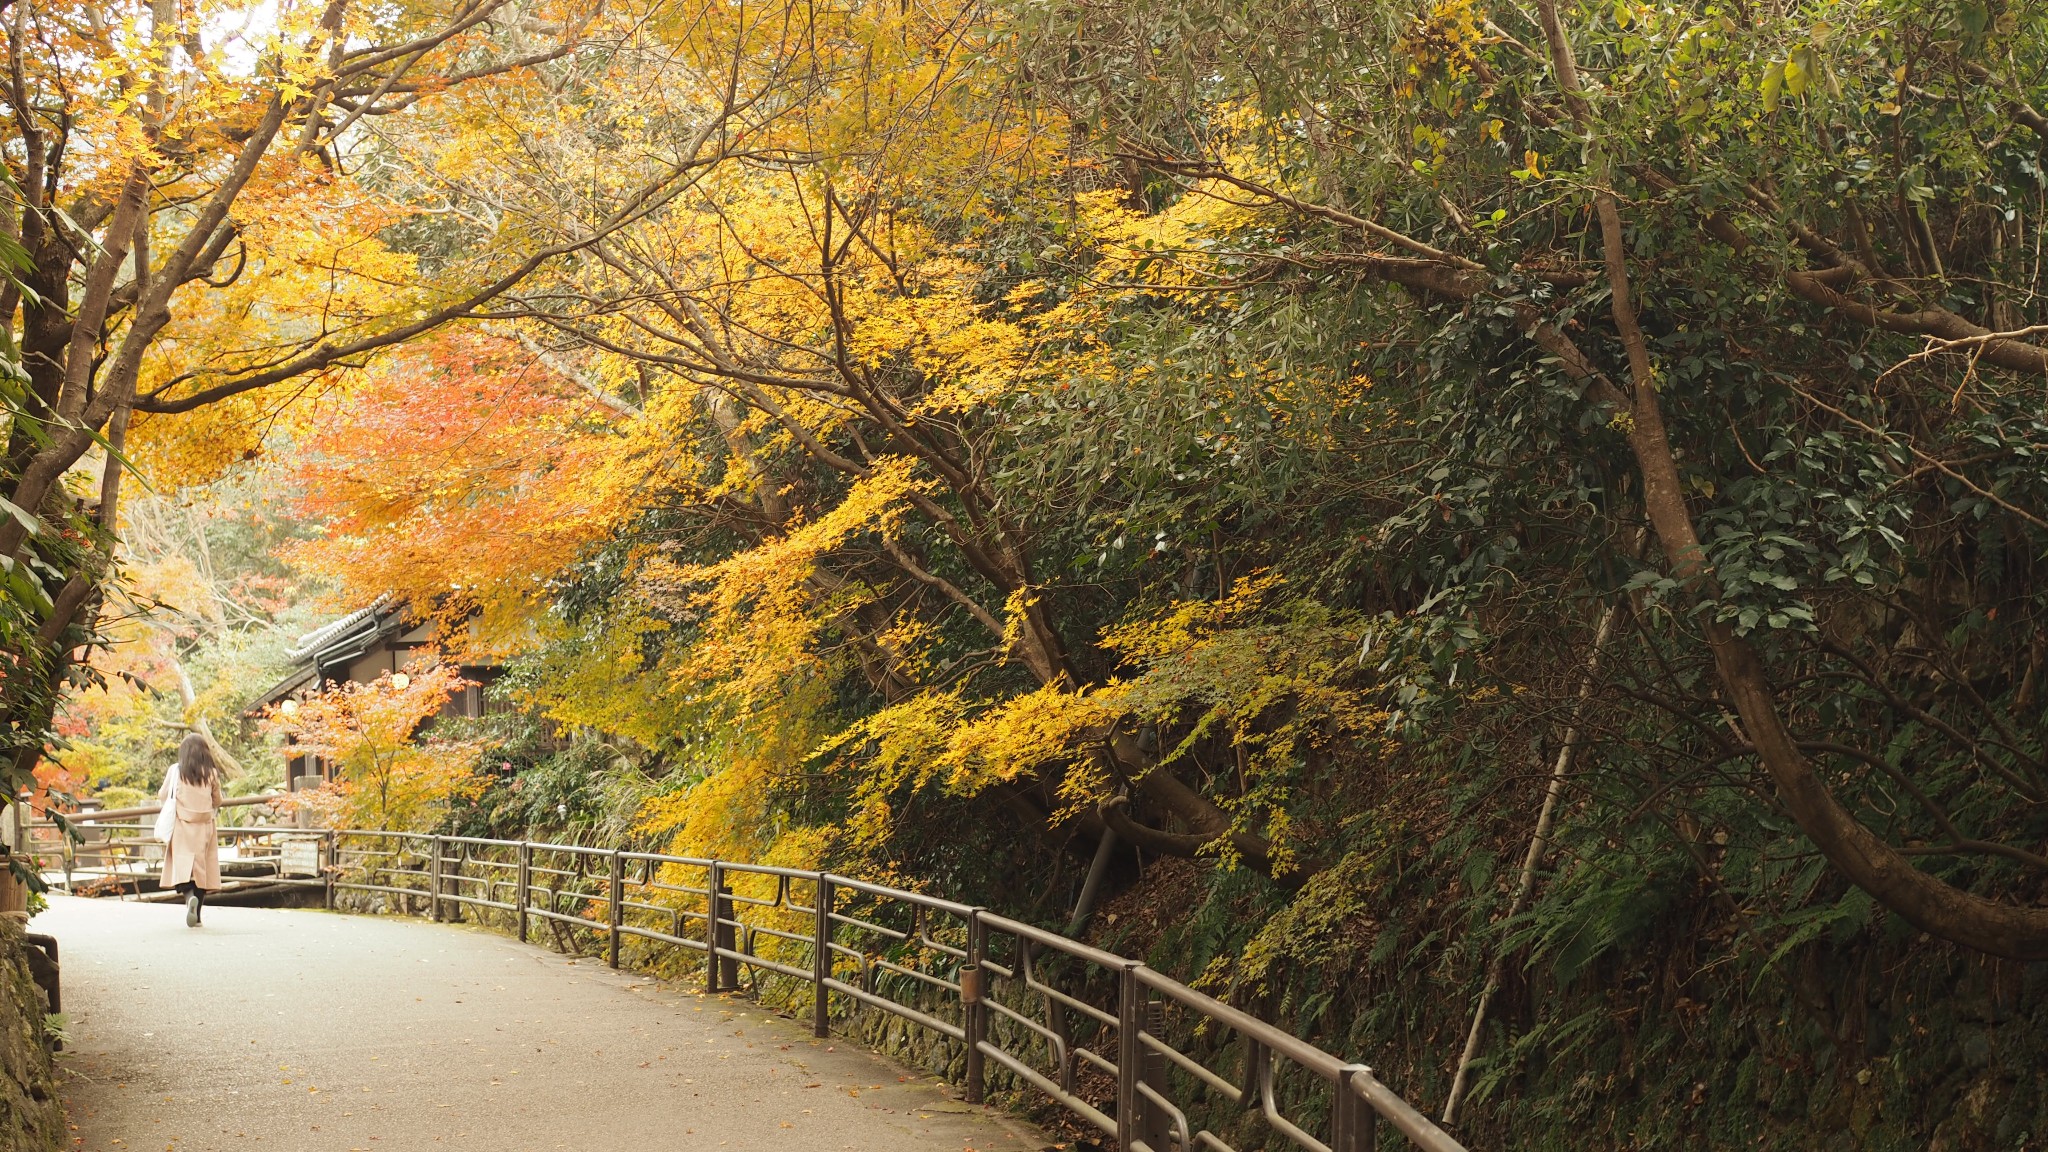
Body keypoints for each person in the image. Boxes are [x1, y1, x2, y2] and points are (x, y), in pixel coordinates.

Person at [158, 733, 223, 927]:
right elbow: (218, 800)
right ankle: (199, 916)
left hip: (182, 827)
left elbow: (163, 795)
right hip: (204, 827)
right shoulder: (211, 773)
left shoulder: (176, 771)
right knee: (201, 871)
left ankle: (188, 900)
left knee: (182, 868)